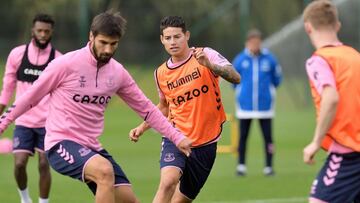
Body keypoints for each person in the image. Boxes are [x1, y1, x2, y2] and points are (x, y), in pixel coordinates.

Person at [0, 11, 192, 203]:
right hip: (60, 143)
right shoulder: (65, 64)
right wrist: (2, 123)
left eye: (113, 44)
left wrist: (177, 138)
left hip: (92, 147)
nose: (108, 50)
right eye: (103, 42)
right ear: (91, 36)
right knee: (104, 171)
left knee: (129, 201)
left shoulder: (117, 73)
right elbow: (29, 98)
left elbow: (147, 109)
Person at [129, 16, 240, 203]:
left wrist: (210, 66)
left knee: (179, 201)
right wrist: (141, 127)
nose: (173, 42)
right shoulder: (161, 73)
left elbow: (236, 77)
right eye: (168, 38)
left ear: (187, 35)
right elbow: (164, 107)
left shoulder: (205, 55)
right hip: (176, 136)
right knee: (167, 182)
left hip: (206, 142)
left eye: (177, 36)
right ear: (162, 40)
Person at [0, 13, 62, 203]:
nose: (43, 34)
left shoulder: (58, 59)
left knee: (44, 164)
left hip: (47, 123)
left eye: (47, 31)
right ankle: (25, 199)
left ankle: (44, 202)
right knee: (19, 164)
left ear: (51, 32)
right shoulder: (17, 55)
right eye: (39, 30)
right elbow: (8, 87)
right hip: (23, 121)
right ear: (32, 31)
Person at [302, 1, 360, 202]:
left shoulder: (319, 60)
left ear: (308, 27)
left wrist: (315, 142)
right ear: (337, 25)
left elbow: (331, 97)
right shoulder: (354, 56)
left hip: (348, 152)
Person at [232, 29, 282, 176]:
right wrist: (242, 93)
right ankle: (241, 166)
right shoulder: (240, 59)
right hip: (245, 107)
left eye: (257, 42)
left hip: (265, 106)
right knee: (243, 137)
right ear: (247, 43)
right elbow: (233, 81)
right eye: (252, 42)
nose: (255, 45)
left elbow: (277, 79)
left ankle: (269, 167)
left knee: (268, 138)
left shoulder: (270, 59)